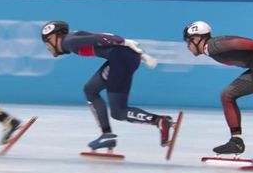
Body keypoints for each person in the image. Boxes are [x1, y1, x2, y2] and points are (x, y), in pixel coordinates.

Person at [40, 20, 173, 151]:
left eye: (46, 42)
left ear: (53, 37)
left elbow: (98, 38)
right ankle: (106, 135)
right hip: (122, 58)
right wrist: (141, 54)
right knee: (90, 90)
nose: (47, 47)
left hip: (121, 59)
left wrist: (126, 43)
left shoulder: (68, 42)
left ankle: (159, 121)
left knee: (118, 111)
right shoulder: (72, 38)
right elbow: (104, 38)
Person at [183, 20, 253, 164]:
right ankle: (236, 141)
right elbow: (243, 42)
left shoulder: (212, 45)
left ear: (196, 39)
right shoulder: (213, 46)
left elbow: (236, 43)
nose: (188, 47)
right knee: (227, 95)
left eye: (188, 42)